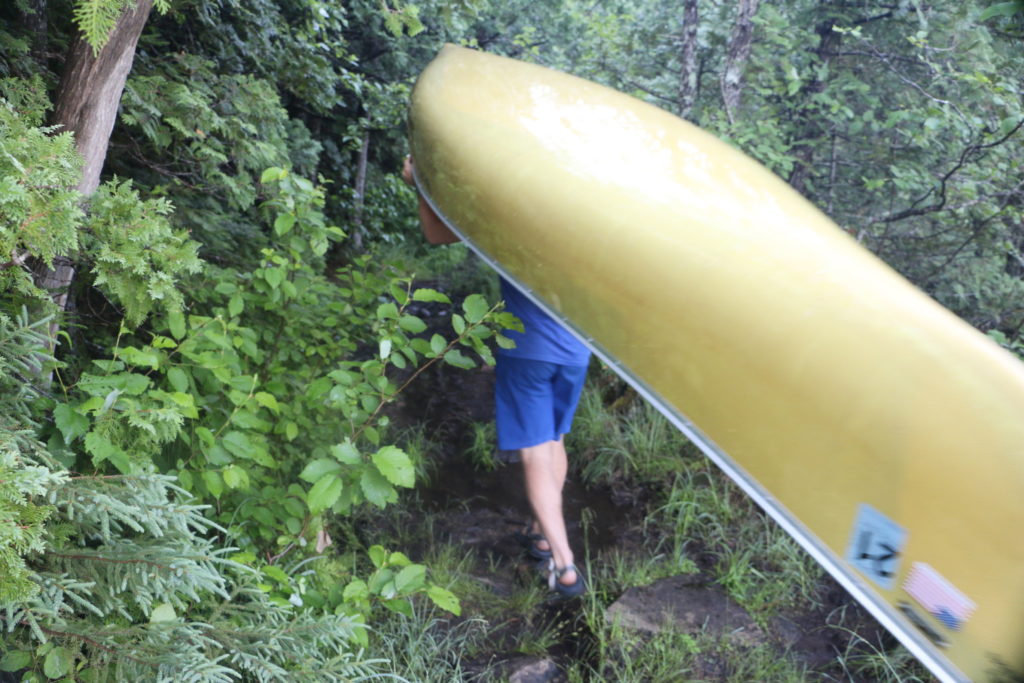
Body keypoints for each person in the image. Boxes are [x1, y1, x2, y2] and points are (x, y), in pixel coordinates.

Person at [402, 156, 590, 597]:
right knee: (554, 441)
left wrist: (419, 183)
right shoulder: (581, 225)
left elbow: (436, 234)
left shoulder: (510, 224)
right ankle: (542, 534)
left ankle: (563, 563)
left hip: (528, 352)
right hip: (578, 351)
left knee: (533, 453)